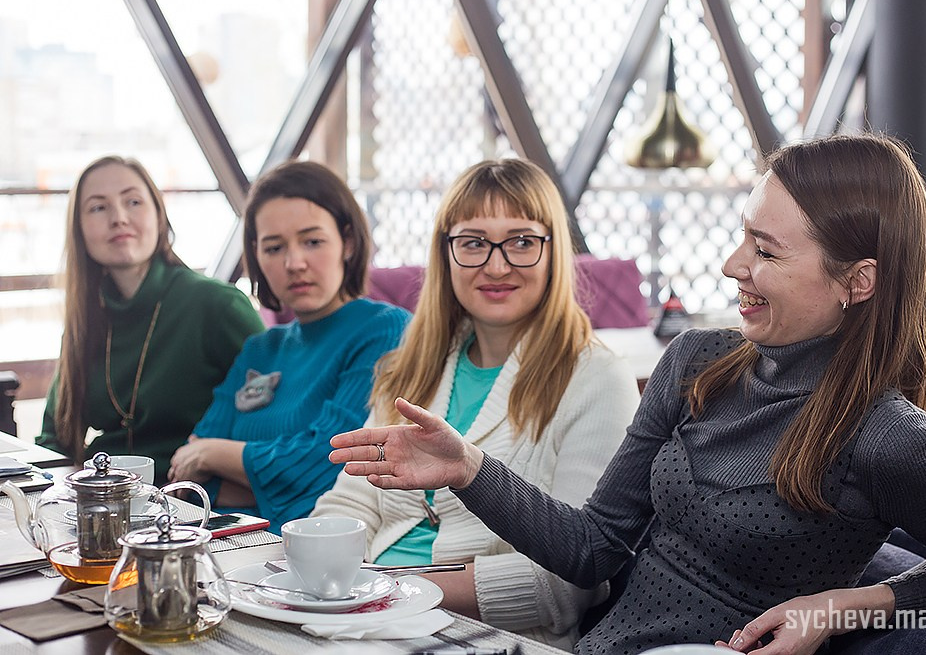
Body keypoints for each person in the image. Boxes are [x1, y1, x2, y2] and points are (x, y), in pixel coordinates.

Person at [326, 134, 926, 655]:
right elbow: (592, 548)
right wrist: (469, 469)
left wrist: (840, 608)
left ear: (859, 281)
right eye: (742, 237)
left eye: (764, 250)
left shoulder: (893, 437)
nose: (733, 264)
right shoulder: (697, 361)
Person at [311, 158, 640, 649]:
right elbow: (351, 499)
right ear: (446, 253)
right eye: (473, 243)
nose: (496, 265)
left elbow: (572, 579)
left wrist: (391, 591)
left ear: (555, 251)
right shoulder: (411, 367)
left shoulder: (596, 377)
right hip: (363, 616)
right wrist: (318, 565)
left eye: (522, 241)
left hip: (492, 636)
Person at [168, 160, 409, 531]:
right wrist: (220, 464)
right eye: (274, 247)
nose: (294, 263)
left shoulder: (383, 330)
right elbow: (188, 472)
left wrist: (214, 456)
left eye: (312, 241)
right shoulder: (260, 349)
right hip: (217, 543)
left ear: (347, 242)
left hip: (310, 556)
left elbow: (331, 464)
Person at [38, 156, 264, 484]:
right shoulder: (85, 321)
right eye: (98, 208)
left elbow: (273, 422)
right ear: (79, 231)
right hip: (104, 499)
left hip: (192, 501)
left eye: (133, 201)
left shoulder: (217, 304)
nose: (119, 218)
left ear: (159, 216)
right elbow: (53, 439)